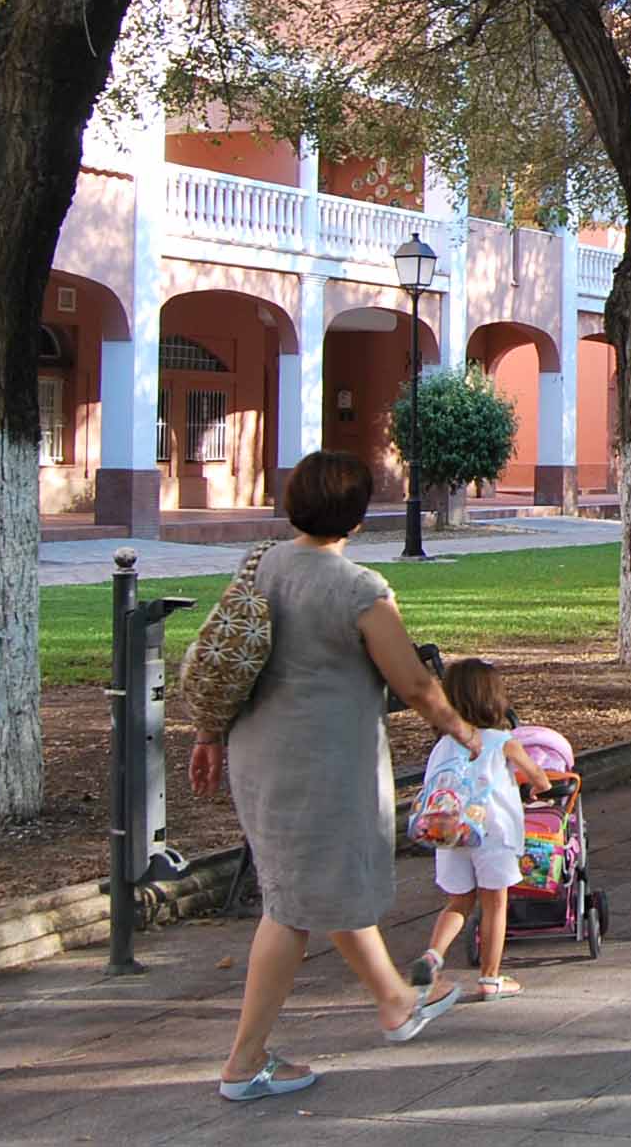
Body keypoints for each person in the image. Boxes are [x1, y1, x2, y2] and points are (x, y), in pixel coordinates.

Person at [188, 449, 487, 1103]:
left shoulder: (260, 564)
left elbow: (227, 653)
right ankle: (243, 1063)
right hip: (321, 762)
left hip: (257, 753)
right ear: (356, 514)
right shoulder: (359, 590)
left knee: (307, 885)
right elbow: (411, 679)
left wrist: (208, 732)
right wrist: (462, 730)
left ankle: (393, 1002)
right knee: (293, 906)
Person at [406, 658, 552, 1001]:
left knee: (457, 902)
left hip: (450, 833)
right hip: (493, 834)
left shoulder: (443, 745)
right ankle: (490, 978)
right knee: (495, 904)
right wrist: (534, 788)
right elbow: (541, 779)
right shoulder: (503, 740)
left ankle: (433, 957)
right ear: (493, 698)